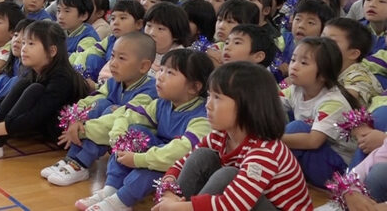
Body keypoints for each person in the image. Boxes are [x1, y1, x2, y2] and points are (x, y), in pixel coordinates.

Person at [153, 62, 312, 211]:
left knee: (228, 175)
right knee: (202, 156)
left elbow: (232, 205)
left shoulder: (265, 151)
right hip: (239, 203)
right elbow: (179, 165)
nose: (208, 104)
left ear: (248, 105)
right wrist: (168, 193)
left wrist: (178, 207)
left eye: (217, 97)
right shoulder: (218, 136)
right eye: (209, 95)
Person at [75, 49, 214, 211]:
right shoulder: (162, 103)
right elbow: (127, 116)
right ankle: (110, 188)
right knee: (135, 132)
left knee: (153, 168)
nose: (160, 76)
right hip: (155, 155)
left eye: (170, 72)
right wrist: (119, 138)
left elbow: (178, 153)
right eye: (161, 70)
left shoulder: (202, 117)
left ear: (194, 87)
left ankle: (123, 200)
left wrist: (138, 159)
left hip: (176, 167)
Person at [0, 21, 88, 162]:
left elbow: (36, 114)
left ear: (52, 51)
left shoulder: (62, 78)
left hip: (63, 134)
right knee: (22, 83)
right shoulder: (33, 70)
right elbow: (4, 99)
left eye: (31, 44)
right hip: (39, 125)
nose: (24, 48)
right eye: (24, 43)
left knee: (34, 89)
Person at [43, 32, 157, 187]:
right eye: (112, 56)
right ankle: (72, 158)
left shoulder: (149, 91)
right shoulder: (115, 82)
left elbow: (119, 119)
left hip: (136, 140)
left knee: (111, 111)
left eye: (121, 58)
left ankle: (81, 163)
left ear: (144, 66)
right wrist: (76, 118)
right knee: (101, 104)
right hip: (107, 133)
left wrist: (82, 130)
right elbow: (93, 98)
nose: (113, 63)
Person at [281, 37, 358, 187]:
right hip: (315, 159)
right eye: (293, 60)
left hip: (338, 170)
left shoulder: (333, 102)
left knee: (297, 128)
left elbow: (313, 141)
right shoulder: (296, 89)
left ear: (323, 74)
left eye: (303, 63)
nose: (294, 67)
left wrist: (270, 139)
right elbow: (269, 105)